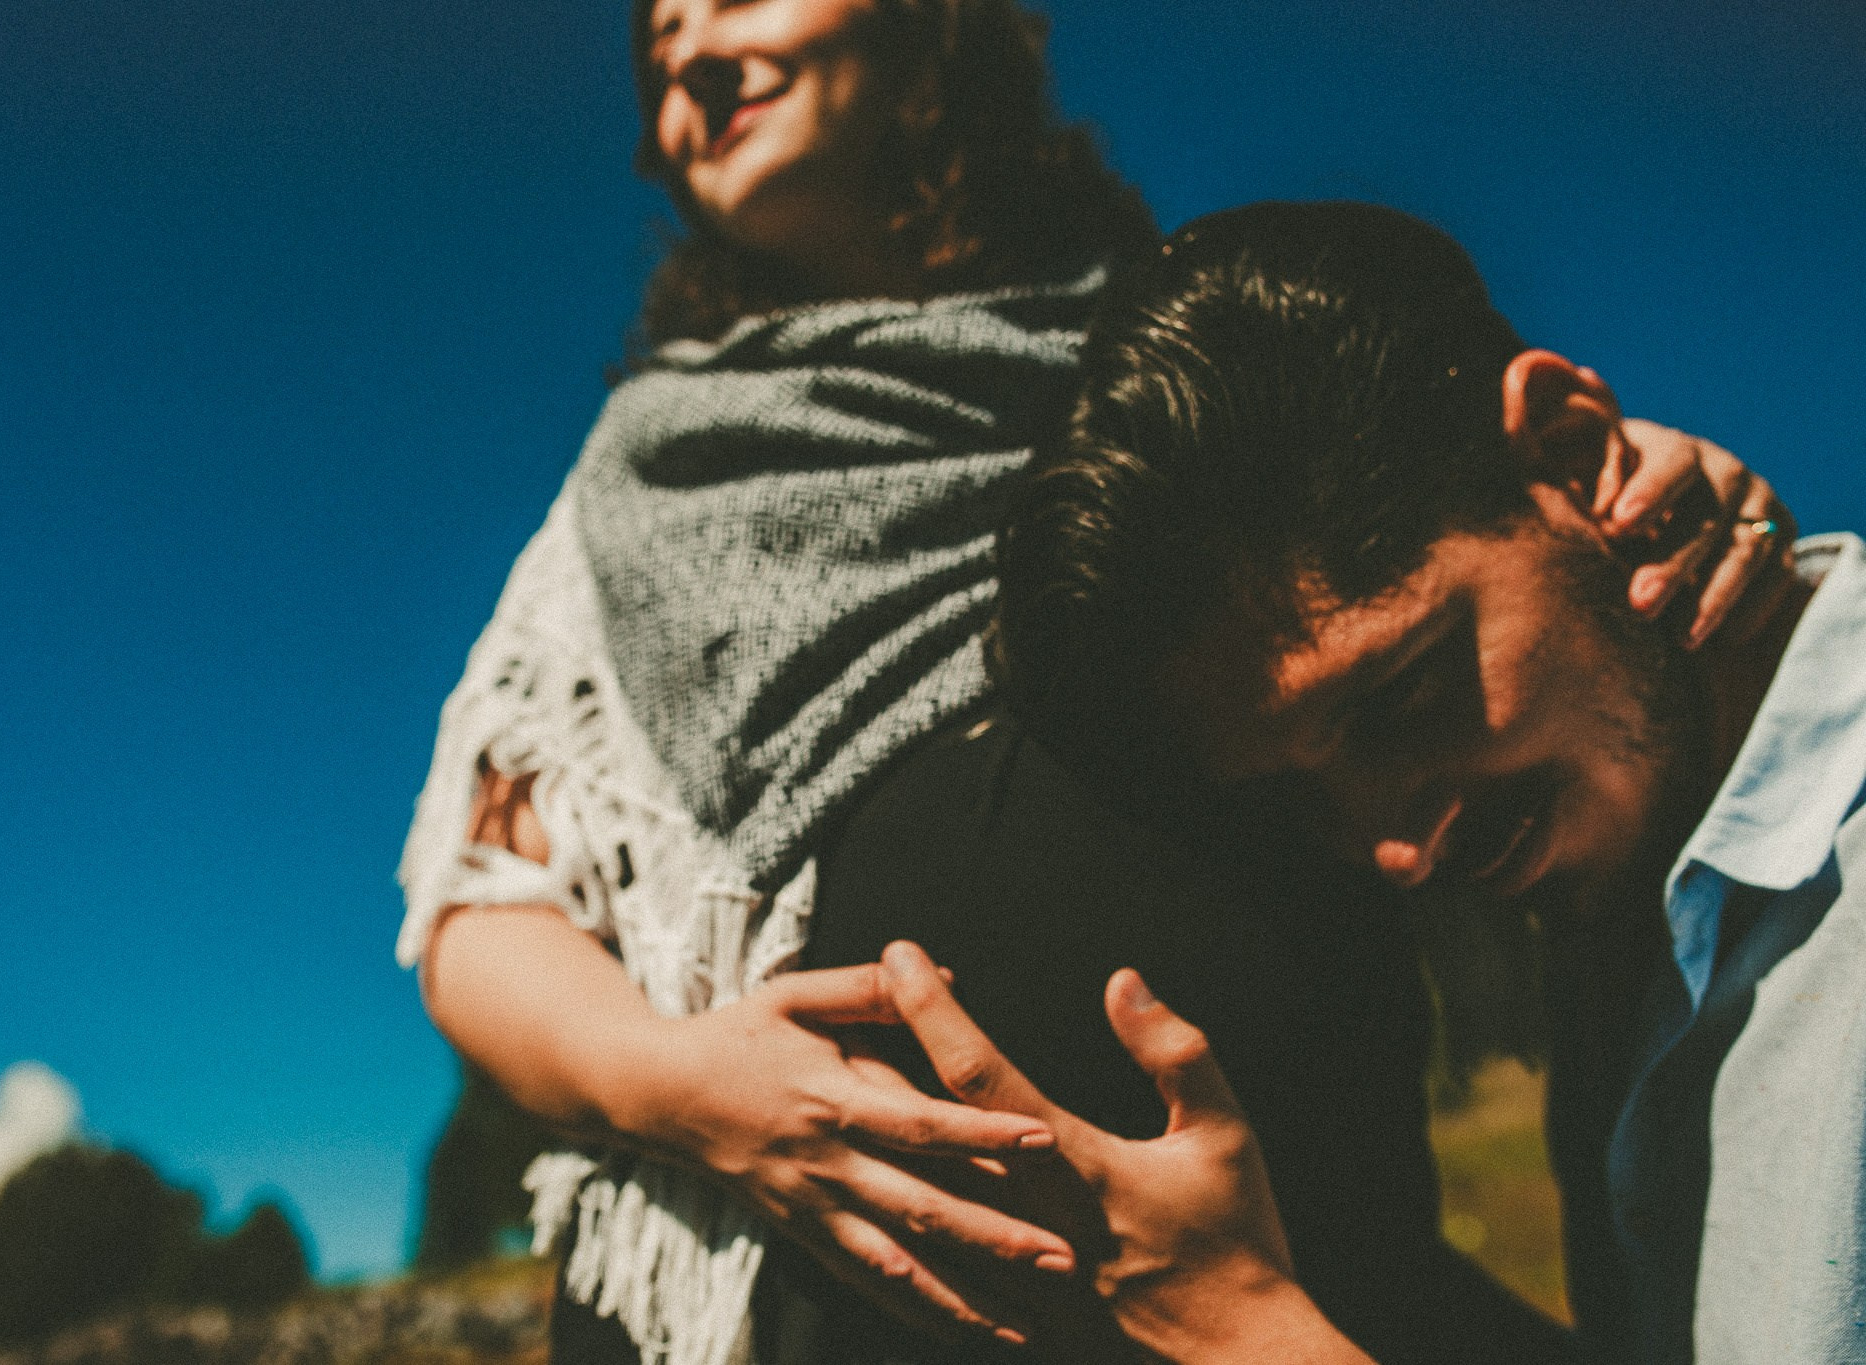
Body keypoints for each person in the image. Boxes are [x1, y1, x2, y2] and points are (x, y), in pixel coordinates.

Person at [399, 5, 1793, 1362]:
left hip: (1305, 1268)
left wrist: (1625, 507)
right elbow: (477, 902)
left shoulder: (1170, 375)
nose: (689, 52)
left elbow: (1452, 545)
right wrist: (686, 1089)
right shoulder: (635, 498)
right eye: (656, 42)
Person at [969, 198, 1859, 1364]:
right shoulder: (1634, 926)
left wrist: (1252, 1333)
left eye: (1398, 699)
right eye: (1295, 802)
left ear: (1569, 450)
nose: (1394, 853)